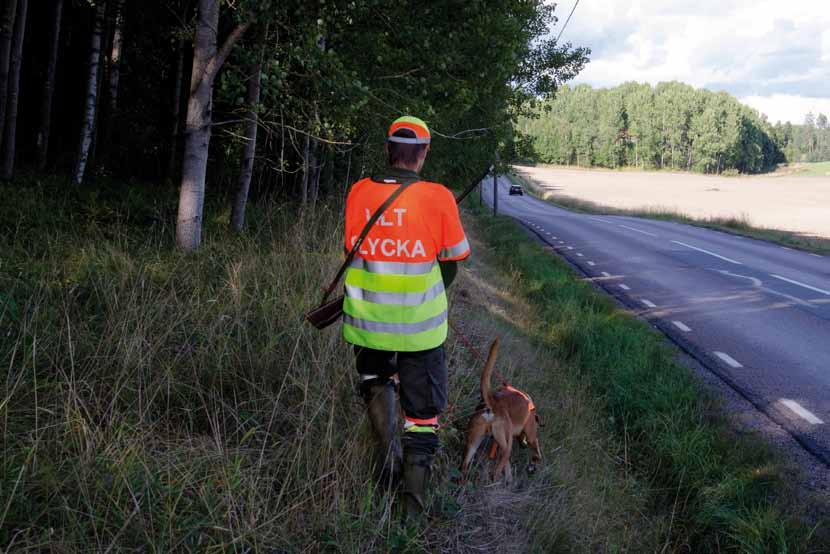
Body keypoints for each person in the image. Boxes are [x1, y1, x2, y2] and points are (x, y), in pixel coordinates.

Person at [342, 116, 470, 517]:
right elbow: (455, 257)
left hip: (367, 324)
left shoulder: (359, 193)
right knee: (423, 414)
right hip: (421, 332)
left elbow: (352, 247)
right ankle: (411, 507)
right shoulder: (438, 197)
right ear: (424, 154)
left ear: (387, 150)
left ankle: (387, 461)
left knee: (375, 383)